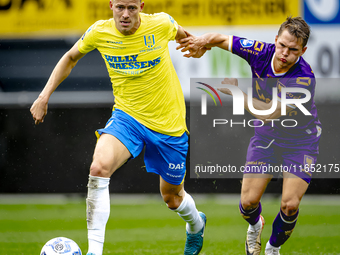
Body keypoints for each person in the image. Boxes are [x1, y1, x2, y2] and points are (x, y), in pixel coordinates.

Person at [30, 0, 207, 254]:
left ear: (141, 7)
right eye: (120, 7)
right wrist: (43, 96)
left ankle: (196, 224)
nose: (125, 14)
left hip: (168, 123)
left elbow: (187, 38)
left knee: (172, 198)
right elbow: (70, 57)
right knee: (98, 167)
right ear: (111, 5)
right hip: (127, 118)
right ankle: (94, 251)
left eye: (132, 8)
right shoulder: (99, 32)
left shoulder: (161, 24)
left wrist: (197, 46)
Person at [177, 16, 321, 255]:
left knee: (290, 204)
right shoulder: (260, 52)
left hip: (301, 142)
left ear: (303, 50)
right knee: (247, 204)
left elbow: (269, 113)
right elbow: (222, 39)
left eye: (293, 50)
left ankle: (273, 248)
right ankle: (256, 225)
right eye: (282, 45)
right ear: (276, 40)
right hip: (267, 138)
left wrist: (237, 93)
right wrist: (200, 42)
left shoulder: (303, 79)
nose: (284, 53)